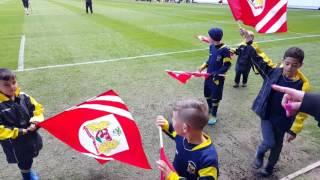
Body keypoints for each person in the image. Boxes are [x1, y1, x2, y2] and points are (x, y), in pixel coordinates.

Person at [246, 45, 311, 177]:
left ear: (300, 65)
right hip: (267, 115)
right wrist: (250, 43)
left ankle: (269, 166)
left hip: (283, 121)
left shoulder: (302, 86)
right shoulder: (273, 72)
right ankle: (260, 152)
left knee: (277, 146)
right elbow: (260, 59)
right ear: (283, 61)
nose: (289, 67)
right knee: (269, 142)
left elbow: (302, 110)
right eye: (287, 63)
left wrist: (294, 130)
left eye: (294, 65)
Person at [156, 99, 219, 179]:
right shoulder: (183, 136)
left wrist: (172, 177)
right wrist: (165, 124)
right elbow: (173, 130)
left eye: (173, 119)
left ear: (185, 128)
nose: (171, 121)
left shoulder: (208, 160)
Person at [0, 68, 44, 180]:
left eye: (13, 82)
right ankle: (26, 175)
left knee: (31, 154)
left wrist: (35, 121)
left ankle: (27, 170)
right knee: (23, 159)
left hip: (31, 136)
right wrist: (20, 131)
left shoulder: (24, 97)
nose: (12, 87)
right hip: (15, 143)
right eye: (6, 85)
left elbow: (37, 109)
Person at [198, 27, 232, 125]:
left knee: (215, 97)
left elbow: (227, 65)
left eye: (209, 36)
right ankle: (210, 108)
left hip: (217, 78)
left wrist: (217, 74)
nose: (208, 37)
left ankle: (214, 115)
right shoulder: (211, 46)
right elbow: (210, 60)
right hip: (208, 75)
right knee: (207, 94)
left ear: (213, 37)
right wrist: (203, 67)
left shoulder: (225, 50)